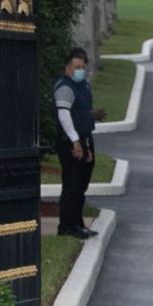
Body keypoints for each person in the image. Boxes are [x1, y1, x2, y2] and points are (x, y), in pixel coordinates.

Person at [53, 47, 97, 238]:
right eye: (76, 66)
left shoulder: (83, 86)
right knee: (71, 184)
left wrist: (86, 144)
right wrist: (76, 142)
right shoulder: (64, 88)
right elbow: (64, 117)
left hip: (84, 140)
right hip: (70, 142)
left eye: (82, 66)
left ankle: (78, 223)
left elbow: (83, 115)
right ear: (67, 68)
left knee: (81, 185)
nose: (80, 70)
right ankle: (66, 226)